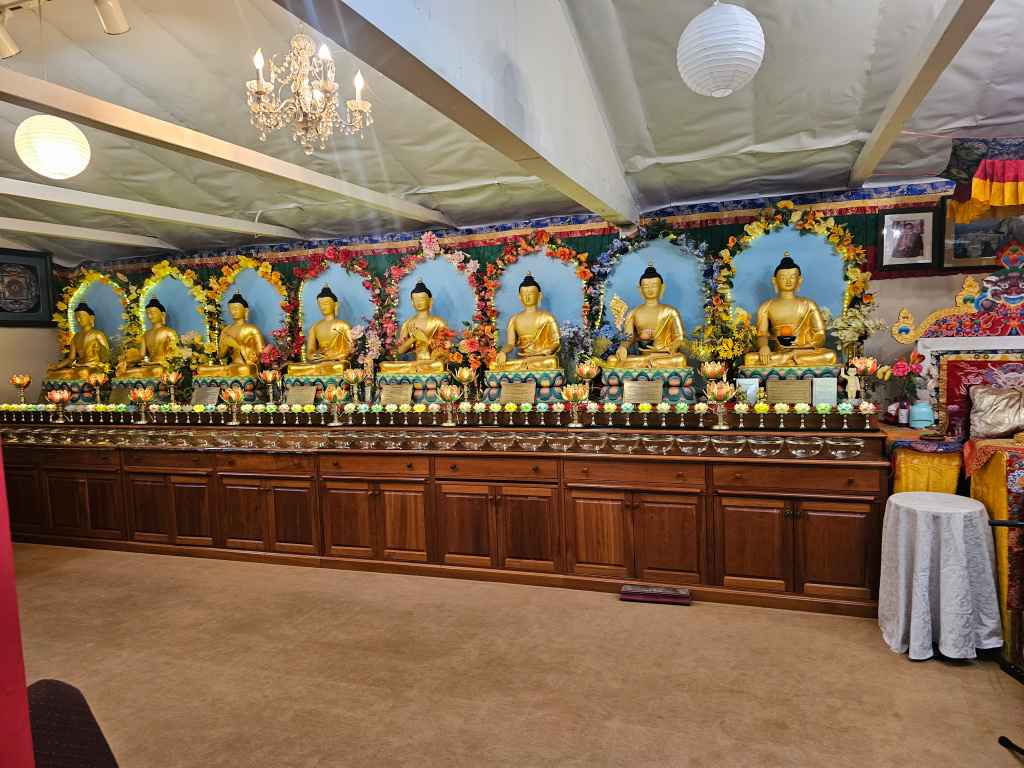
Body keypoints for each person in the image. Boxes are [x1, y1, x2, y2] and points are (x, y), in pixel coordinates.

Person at [743, 254, 837, 367]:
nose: (788, 281)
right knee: (750, 359)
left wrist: (803, 347)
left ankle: (792, 357)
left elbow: (820, 334)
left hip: (803, 352)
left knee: (830, 356)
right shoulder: (766, 307)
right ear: (775, 281)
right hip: (779, 353)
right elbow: (761, 334)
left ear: (799, 280)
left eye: (792, 277)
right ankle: (791, 359)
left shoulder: (809, 304)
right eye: (783, 278)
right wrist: (764, 347)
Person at [603, 263, 687, 369]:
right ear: (640, 289)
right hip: (642, 357)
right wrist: (623, 347)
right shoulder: (633, 313)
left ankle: (648, 364)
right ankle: (648, 364)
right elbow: (628, 338)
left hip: (663, 356)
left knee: (680, 359)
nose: (650, 290)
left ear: (662, 288)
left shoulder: (671, 311)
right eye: (646, 287)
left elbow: (680, 340)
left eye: (654, 286)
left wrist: (660, 350)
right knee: (612, 360)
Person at [489, 272, 560, 371]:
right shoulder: (514, 319)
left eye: (531, 293)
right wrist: (502, 352)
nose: (527, 297)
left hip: (540, 358)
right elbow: (510, 345)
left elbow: (556, 342)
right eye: (524, 294)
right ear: (520, 296)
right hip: (523, 359)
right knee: (493, 365)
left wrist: (538, 353)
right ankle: (526, 365)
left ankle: (526, 365)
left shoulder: (548, 317)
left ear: (539, 295)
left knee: (552, 362)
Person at [379, 280, 449, 374]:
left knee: (440, 365)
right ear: (412, 302)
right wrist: (412, 339)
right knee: (384, 365)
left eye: (421, 299)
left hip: (432, 362)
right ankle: (417, 369)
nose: (418, 302)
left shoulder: (439, 322)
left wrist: (426, 339)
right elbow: (400, 351)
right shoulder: (408, 323)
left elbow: (446, 351)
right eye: (415, 300)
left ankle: (418, 369)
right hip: (415, 363)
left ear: (430, 301)